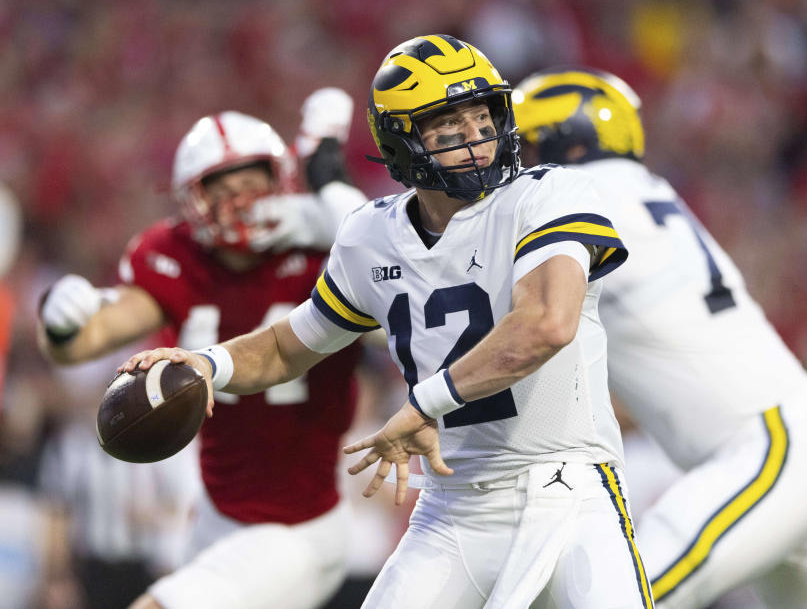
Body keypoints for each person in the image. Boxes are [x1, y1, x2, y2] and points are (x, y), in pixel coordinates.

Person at [116, 34, 654, 609]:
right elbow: (288, 347)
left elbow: (546, 323)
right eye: (448, 127)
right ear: (403, 143)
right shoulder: (371, 236)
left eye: (482, 117)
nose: (476, 139)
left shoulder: (550, 194)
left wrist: (426, 403)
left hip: (568, 488)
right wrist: (208, 362)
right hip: (455, 510)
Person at [512, 67, 807, 609]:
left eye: (524, 147)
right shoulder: (640, 191)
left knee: (616, 599)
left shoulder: (576, 198)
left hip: (768, 452)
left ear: (561, 143)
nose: (513, 168)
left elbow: (470, 304)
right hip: (799, 446)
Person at [37, 100, 368, 609]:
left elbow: (411, 296)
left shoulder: (330, 251)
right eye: (223, 189)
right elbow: (86, 342)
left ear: (279, 183)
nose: (241, 202)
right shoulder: (172, 254)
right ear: (192, 199)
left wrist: (352, 230)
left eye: (251, 185)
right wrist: (60, 325)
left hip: (298, 524)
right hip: (213, 517)